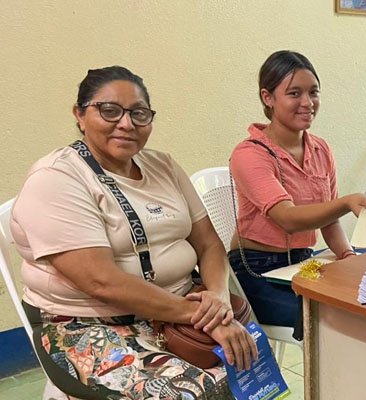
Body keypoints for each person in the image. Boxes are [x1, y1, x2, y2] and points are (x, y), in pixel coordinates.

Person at [11, 66, 257, 399]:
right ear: (79, 115)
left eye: (139, 114)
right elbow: (101, 281)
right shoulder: (56, 179)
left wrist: (218, 297)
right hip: (91, 324)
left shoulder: (163, 166)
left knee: (251, 366)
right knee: (195, 391)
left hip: (183, 305)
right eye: (109, 111)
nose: (126, 124)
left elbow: (209, 243)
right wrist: (200, 315)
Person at [228, 50, 366, 329]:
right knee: (329, 318)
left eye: (313, 92)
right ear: (268, 98)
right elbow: (287, 219)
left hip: (301, 264)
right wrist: (347, 202)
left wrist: (348, 258)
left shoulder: (320, 149)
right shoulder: (249, 154)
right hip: (255, 271)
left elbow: (329, 219)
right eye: (294, 94)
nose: (307, 102)